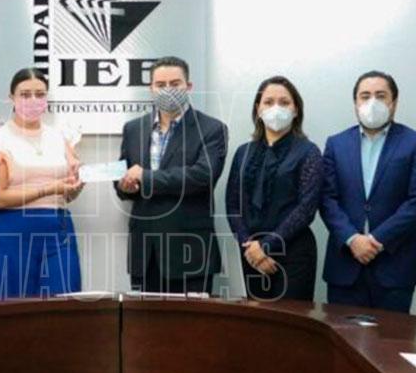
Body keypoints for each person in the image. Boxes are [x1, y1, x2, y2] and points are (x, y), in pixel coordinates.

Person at [320, 71, 416, 313]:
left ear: (394, 102)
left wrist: (376, 240)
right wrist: (352, 239)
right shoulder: (336, 144)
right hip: (345, 265)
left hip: (395, 265)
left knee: (392, 336)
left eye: (381, 96)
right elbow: (327, 198)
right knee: (340, 334)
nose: (372, 102)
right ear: (355, 103)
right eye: (365, 96)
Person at [0, 68, 84, 298]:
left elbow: (66, 195)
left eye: (40, 94)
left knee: (65, 302)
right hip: (12, 230)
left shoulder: (59, 137)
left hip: (59, 228)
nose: (33, 100)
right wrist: (51, 188)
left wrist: (74, 187)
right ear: (11, 97)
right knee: (15, 306)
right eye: (25, 94)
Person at [115, 56, 227, 294]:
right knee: (144, 319)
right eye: (160, 84)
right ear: (151, 88)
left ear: (189, 86)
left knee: (192, 319)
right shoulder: (133, 129)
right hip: (145, 254)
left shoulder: (212, 129)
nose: (167, 90)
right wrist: (124, 186)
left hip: (190, 252)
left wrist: (146, 178)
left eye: (175, 84)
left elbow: (203, 176)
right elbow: (123, 177)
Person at [226, 76, 321, 300]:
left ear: (296, 110)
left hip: (293, 253)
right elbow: (232, 204)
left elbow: (306, 209)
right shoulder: (243, 152)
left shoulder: (309, 152)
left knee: (290, 319)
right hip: (251, 255)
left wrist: (267, 246)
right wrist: (249, 247)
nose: (276, 108)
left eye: (284, 102)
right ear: (258, 109)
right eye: (268, 102)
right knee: (256, 319)